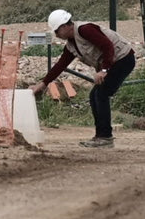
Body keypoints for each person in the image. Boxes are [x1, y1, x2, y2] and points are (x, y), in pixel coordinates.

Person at [29, 9, 136, 148]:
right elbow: (61, 64)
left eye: (57, 31)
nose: (56, 35)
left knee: (101, 94)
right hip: (113, 63)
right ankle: (101, 136)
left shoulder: (85, 30)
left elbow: (108, 46)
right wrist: (43, 83)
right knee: (94, 95)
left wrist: (104, 70)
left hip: (123, 59)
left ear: (65, 26)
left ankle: (105, 137)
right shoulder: (71, 44)